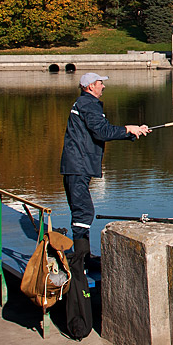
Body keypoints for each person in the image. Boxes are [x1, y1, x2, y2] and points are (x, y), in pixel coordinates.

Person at [60, 72, 150, 254]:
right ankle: (80, 261)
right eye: (100, 83)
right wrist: (128, 129)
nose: (103, 86)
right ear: (90, 86)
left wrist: (132, 132)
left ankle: (83, 256)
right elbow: (102, 132)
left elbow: (100, 132)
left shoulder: (84, 103)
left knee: (82, 211)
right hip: (78, 165)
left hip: (77, 165)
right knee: (84, 212)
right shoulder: (89, 104)